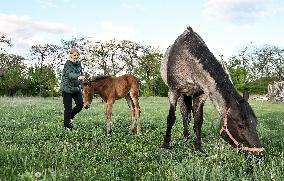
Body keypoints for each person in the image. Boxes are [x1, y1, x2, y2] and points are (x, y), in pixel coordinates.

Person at [60, 48, 85, 129]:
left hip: (76, 89)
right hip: (67, 89)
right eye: (74, 55)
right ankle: (66, 127)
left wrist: (83, 83)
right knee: (68, 108)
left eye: (77, 55)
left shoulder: (79, 64)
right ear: (70, 55)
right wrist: (78, 76)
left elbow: (81, 74)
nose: (76, 57)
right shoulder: (67, 64)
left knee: (80, 105)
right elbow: (70, 74)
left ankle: (70, 117)